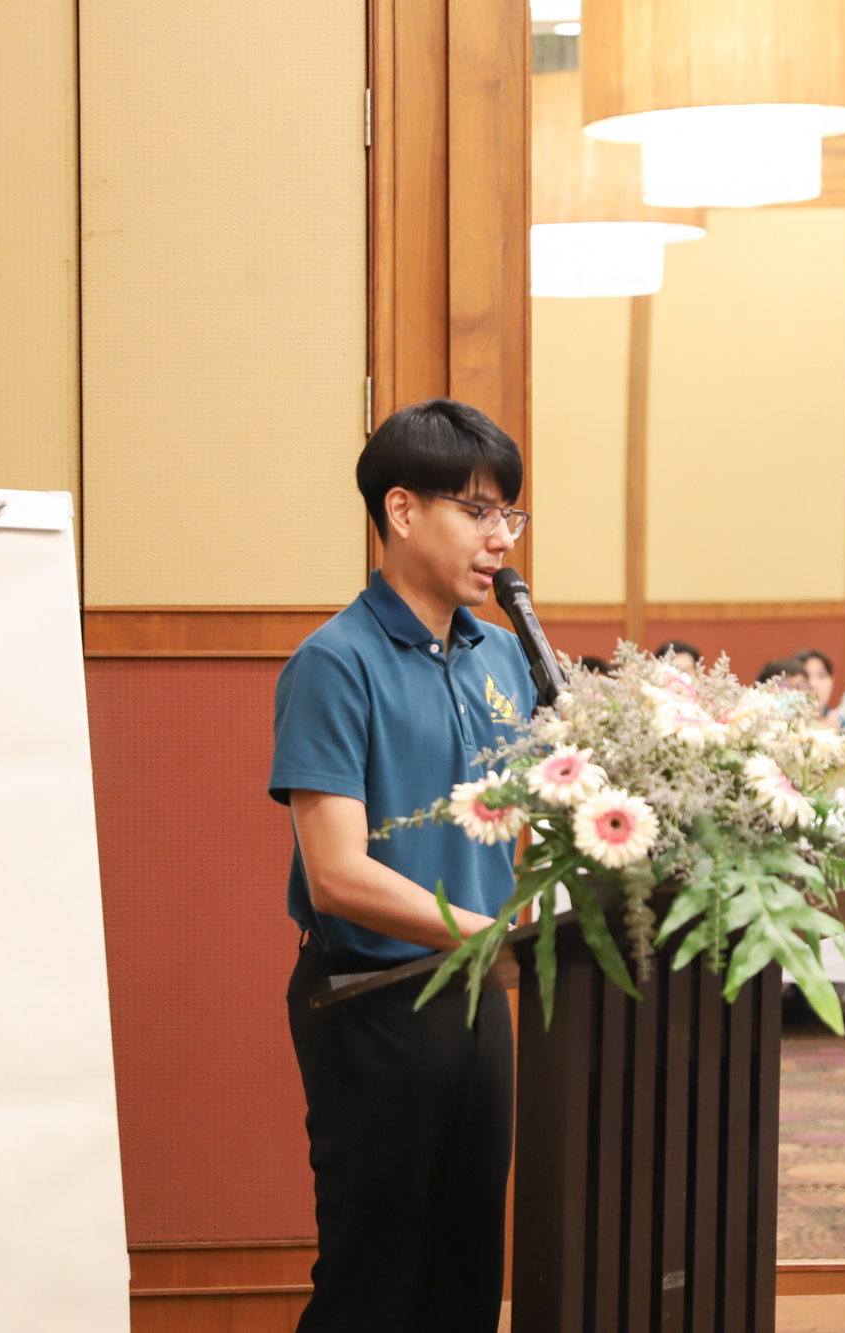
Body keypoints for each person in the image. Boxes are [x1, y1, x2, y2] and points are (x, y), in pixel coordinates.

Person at [269, 398, 536, 1332]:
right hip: (371, 1000)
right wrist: (489, 932)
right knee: (373, 1284)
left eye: (509, 513)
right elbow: (338, 874)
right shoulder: (334, 662)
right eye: (477, 510)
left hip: (480, 992)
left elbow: (537, 817)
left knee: (466, 1276)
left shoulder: (506, 657)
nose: (500, 537)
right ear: (403, 510)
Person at [795, 648, 840, 724]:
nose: (813, 684)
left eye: (821, 676)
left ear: (832, 681)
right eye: (806, 677)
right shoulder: (778, 725)